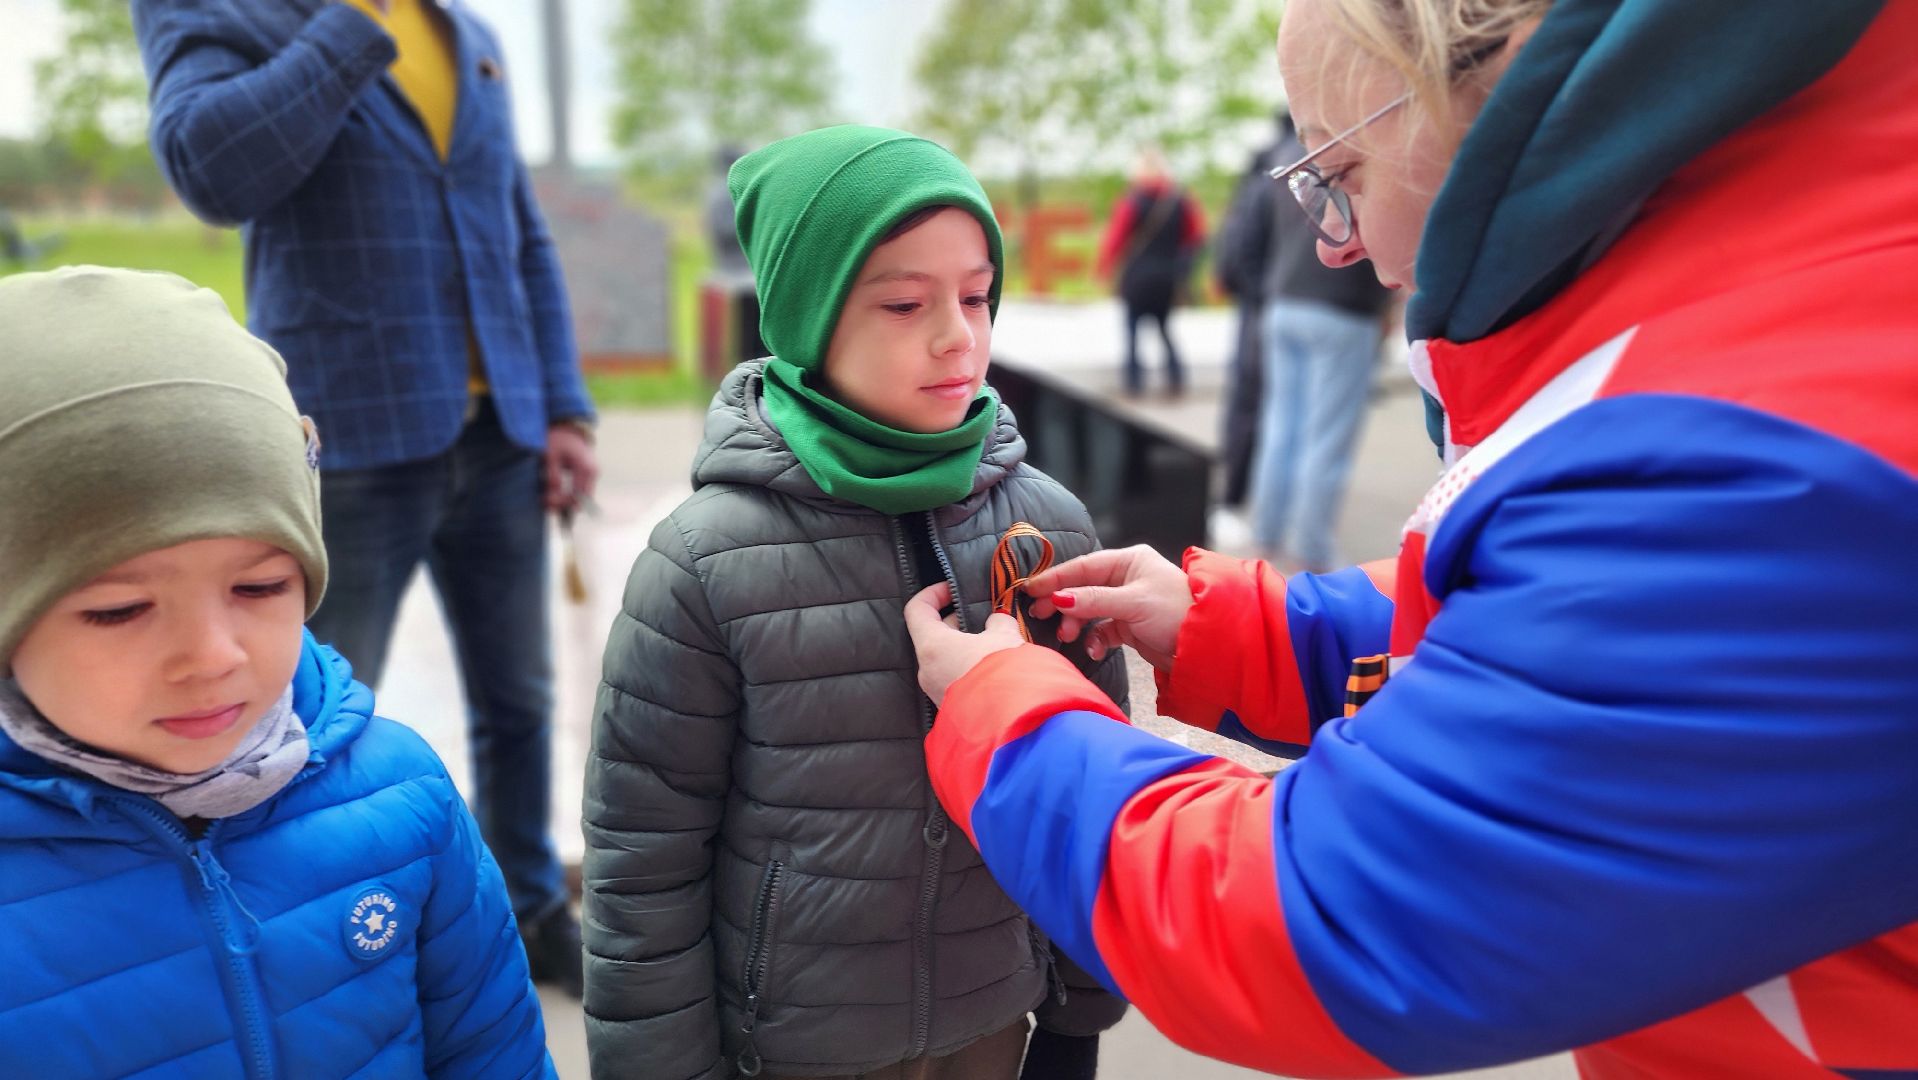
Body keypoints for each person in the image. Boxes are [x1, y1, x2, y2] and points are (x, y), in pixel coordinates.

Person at [904, 0, 1918, 1076]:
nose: (1334, 245)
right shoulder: (1781, 311)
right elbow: (1549, 621)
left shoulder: (1745, 459)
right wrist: (1241, 626)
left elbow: (1329, 918)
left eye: (1336, 176)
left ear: (1481, 95)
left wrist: (1006, 716)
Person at [583, 126, 1129, 1080]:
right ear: (809, 318)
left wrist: (1078, 1016)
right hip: (795, 1045)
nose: (958, 335)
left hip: (991, 1020)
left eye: (976, 295)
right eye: (905, 303)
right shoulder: (704, 564)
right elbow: (643, 862)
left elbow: (1090, 792)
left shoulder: (1047, 528)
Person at [132, 0, 598, 994]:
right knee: (307, 723)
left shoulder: (464, 31)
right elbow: (212, 171)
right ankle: (315, 951)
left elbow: (517, 229)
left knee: (519, 705)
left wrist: (563, 405)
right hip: (343, 437)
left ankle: (529, 908)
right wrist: (351, 21)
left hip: (503, 437)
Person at [0, 267, 554, 1079]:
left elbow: (493, 1054)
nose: (213, 655)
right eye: (120, 609)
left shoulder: (403, 799)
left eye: (259, 587)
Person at [1246, 115, 1395, 571]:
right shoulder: (1359, 147)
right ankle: (1311, 546)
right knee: (1326, 435)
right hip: (1342, 307)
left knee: (1280, 425)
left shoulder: (1287, 154)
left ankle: (1266, 534)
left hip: (1283, 301)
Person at [1094, 151, 1206, 398]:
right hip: (1167, 277)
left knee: (1132, 331)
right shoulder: (1180, 201)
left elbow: (1116, 238)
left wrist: (1103, 268)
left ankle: (1134, 383)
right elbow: (1196, 237)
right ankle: (1176, 380)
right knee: (1164, 329)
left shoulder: (1132, 201)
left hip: (1137, 277)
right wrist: (1183, 266)